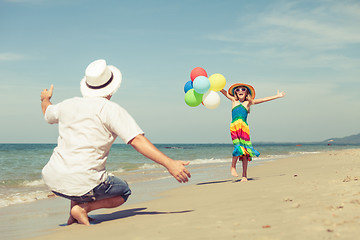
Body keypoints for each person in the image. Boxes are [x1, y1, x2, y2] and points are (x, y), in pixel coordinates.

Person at [40, 59, 191, 226]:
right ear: (111, 89)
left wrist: (45, 98)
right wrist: (169, 163)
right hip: (84, 183)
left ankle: (74, 215)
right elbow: (137, 140)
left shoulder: (67, 104)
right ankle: (84, 209)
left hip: (52, 179)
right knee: (124, 191)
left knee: (80, 174)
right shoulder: (110, 110)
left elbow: (48, 112)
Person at [220, 83, 285, 182]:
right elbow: (222, 91)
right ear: (235, 93)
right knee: (238, 147)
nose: (240, 91)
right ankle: (233, 167)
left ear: (247, 93)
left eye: (243, 89)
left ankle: (244, 176)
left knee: (246, 152)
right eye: (237, 90)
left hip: (244, 128)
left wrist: (277, 96)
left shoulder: (248, 103)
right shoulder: (233, 100)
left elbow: (263, 99)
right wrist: (213, 84)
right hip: (234, 127)